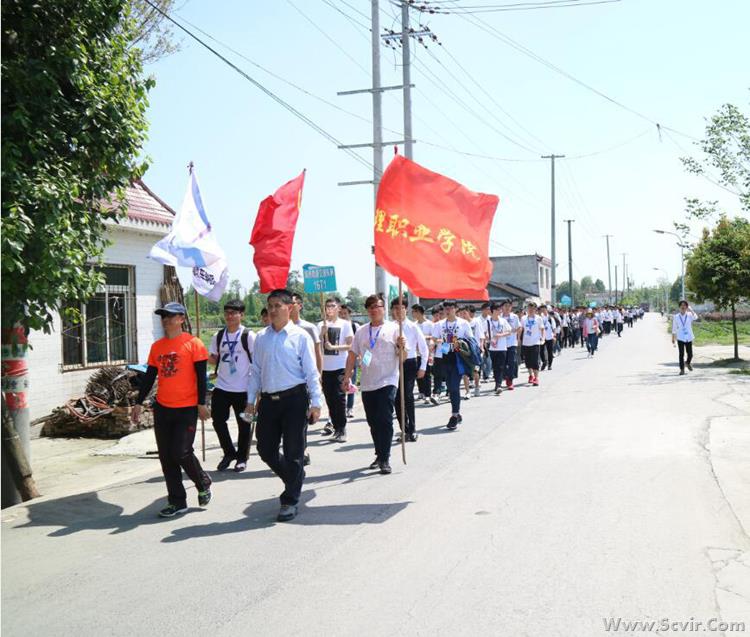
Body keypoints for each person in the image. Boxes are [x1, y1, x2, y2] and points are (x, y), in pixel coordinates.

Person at [243, 289, 322, 522]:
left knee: (293, 451)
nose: (273, 310)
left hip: (295, 400)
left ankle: (290, 500)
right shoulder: (261, 338)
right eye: (270, 306)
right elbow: (256, 371)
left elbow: (311, 372)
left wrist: (316, 403)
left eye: (278, 305)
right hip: (269, 401)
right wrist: (250, 401)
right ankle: (293, 477)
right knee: (265, 449)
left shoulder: (300, 336)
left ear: (290, 307)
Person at [131, 302, 212, 518]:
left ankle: (202, 481)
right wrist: (138, 402)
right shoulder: (157, 347)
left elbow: (201, 377)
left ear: (181, 319)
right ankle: (177, 501)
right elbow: (149, 377)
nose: (166, 320)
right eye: (163, 316)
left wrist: (201, 403)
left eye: (170, 316)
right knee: (166, 457)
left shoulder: (194, 344)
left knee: (181, 451)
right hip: (163, 408)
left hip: (187, 408)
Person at [343, 294, 405, 474]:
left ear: (383, 309)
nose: (374, 310)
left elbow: (403, 358)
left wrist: (402, 346)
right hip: (368, 382)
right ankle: (379, 453)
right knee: (373, 422)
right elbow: (352, 355)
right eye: (370, 307)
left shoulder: (395, 328)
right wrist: (347, 376)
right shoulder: (362, 331)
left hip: (388, 380)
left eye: (377, 306)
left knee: (385, 419)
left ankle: (385, 459)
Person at [208, 299, 255, 473]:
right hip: (222, 386)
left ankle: (242, 458)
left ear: (241, 315)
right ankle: (229, 453)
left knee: (244, 424)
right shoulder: (218, 336)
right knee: (218, 421)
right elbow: (214, 359)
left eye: (233, 313)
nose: (229, 316)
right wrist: (202, 354)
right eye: (227, 313)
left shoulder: (248, 336)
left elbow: (256, 361)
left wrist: (256, 388)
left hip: (243, 388)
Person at [433, 300, 474, 429]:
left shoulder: (463, 323)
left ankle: (454, 415)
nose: (448, 310)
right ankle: (457, 412)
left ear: (456, 309)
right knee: (450, 388)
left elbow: (471, 340)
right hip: (445, 356)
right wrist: (441, 341)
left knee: (455, 387)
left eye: (451, 307)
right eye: (446, 308)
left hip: (458, 357)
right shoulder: (439, 324)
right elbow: (434, 338)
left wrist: (459, 342)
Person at [392, 298, 428, 442]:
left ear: (405, 309)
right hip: (394, 364)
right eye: (395, 308)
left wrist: (423, 367)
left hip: (409, 363)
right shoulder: (390, 327)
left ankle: (412, 429)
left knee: (407, 395)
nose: (397, 311)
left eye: (400, 308)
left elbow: (424, 349)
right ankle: (404, 429)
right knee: (396, 398)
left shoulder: (413, 327)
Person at [318, 297, 353, 442]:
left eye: (332, 306)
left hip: (340, 367)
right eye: (327, 306)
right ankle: (336, 427)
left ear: (338, 308)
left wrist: (334, 347)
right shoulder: (320, 325)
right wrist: (321, 334)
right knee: (329, 399)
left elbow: (350, 345)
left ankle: (342, 428)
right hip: (325, 369)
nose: (329, 309)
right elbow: (316, 346)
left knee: (339, 399)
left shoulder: (345, 324)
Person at [411, 304, 435, 406]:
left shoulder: (430, 324)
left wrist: (424, 337)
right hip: (416, 352)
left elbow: (434, 337)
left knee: (427, 374)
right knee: (418, 373)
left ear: (419, 312)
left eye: (413, 311)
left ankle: (428, 395)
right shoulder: (414, 325)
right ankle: (421, 392)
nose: (412, 314)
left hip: (427, 352)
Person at [339, 304, 359, 418]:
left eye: (345, 313)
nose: (342, 315)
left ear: (349, 314)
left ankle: (350, 408)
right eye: (340, 313)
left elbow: (361, 344)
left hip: (352, 358)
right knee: (340, 385)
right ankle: (340, 408)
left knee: (352, 383)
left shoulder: (355, 326)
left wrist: (363, 360)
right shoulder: (336, 326)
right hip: (340, 360)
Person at [487, 303, 512, 395]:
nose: (500, 311)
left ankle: (499, 385)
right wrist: (489, 339)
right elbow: (484, 333)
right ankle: (497, 383)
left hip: (502, 347)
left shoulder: (503, 321)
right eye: (498, 310)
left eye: (500, 310)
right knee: (495, 367)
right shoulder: (488, 321)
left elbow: (509, 332)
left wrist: (500, 335)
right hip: (492, 348)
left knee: (501, 366)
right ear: (493, 310)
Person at [519, 302, 543, 386]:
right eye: (529, 308)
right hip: (526, 342)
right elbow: (521, 329)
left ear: (535, 309)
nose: (531, 310)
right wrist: (518, 338)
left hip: (535, 342)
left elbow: (542, 328)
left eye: (533, 308)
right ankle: (530, 375)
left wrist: (543, 338)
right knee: (528, 361)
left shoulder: (538, 318)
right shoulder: (523, 318)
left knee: (535, 360)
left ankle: (536, 378)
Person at [672, 300, 698, 375]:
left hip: (688, 337)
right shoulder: (676, 317)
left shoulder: (689, 315)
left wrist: (691, 310)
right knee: (681, 354)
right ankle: (682, 369)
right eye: (681, 305)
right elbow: (674, 328)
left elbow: (696, 317)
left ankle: (687, 363)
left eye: (684, 305)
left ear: (687, 307)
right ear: (679, 307)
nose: (683, 307)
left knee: (690, 354)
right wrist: (673, 338)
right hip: (680, 337)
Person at [501, 300, 520, 390]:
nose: (507, 308)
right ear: (502, 307)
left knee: (511, 361)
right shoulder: (499, 317)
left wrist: (516, 334)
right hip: (502, 344)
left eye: (509, 306)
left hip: (512, 342)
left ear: (511, 307)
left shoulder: (514, 317)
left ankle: (510, 380)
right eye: (505, 306)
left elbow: (519, 327)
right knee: (503, 362)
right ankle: (505, 377)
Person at [539, 305, 556, 371]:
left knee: (550, 352)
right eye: (542, 310)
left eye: (544, 309)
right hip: (542, 337)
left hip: (549, 337)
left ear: (546, 310)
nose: (543, 311)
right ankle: (544, 362)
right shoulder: (539, 318)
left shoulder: (550, 318)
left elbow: (554, 328)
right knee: (541, 351)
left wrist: (554, 336)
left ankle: (549, 365)